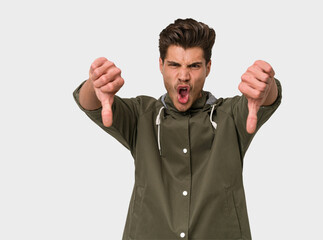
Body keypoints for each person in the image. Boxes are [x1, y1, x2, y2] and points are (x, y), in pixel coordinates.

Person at [73, 18, 281, 240]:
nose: (183, 75)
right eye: (174, 65)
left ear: (208, 68)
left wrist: (266, 87)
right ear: (161, 65)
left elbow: (267, 98)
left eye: (194, 65)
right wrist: (94, 86)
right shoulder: (142, 115)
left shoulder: (230, 115)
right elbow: (90, 103)